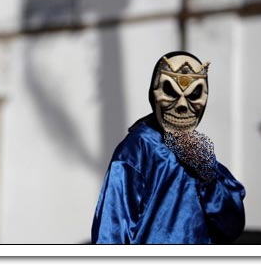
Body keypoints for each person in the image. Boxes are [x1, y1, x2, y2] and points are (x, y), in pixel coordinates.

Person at [91, 51, 246, 244]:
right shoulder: (136, 150)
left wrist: (207, 175)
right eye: (170, 92)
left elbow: (232, 225)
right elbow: (111, 235)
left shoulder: (200, 153)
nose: (182, 105)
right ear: (154, 93)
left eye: (194, 95)